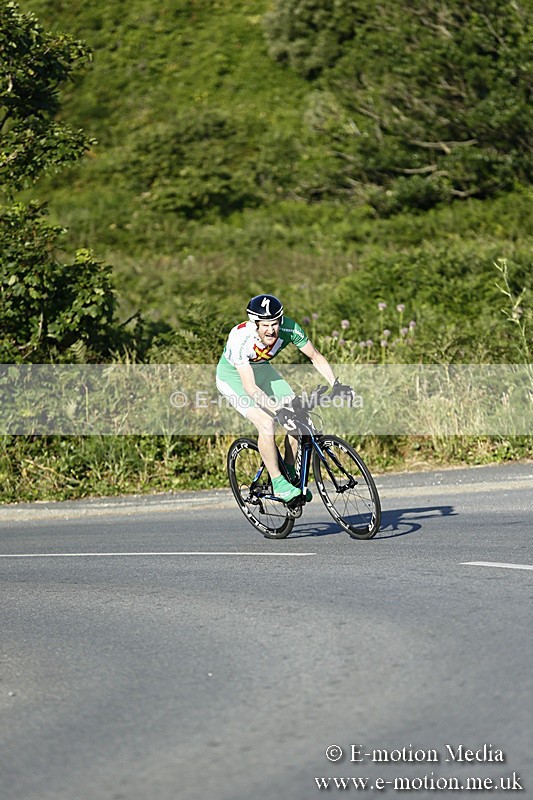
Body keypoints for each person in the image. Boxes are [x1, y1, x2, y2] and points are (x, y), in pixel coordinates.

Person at [216, 294, 350, 502]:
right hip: (234, 379)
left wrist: (336, 383)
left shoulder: (289, 329)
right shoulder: (240, 338)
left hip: (263, 372)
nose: (271, 330)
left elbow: (314, 355)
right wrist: (278, 410)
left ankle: (289, 475)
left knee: (297, 418)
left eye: (275, 324)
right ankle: (279, 483)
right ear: (255, 324)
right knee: (266, 422)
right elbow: (250, 388)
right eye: (266, 325)